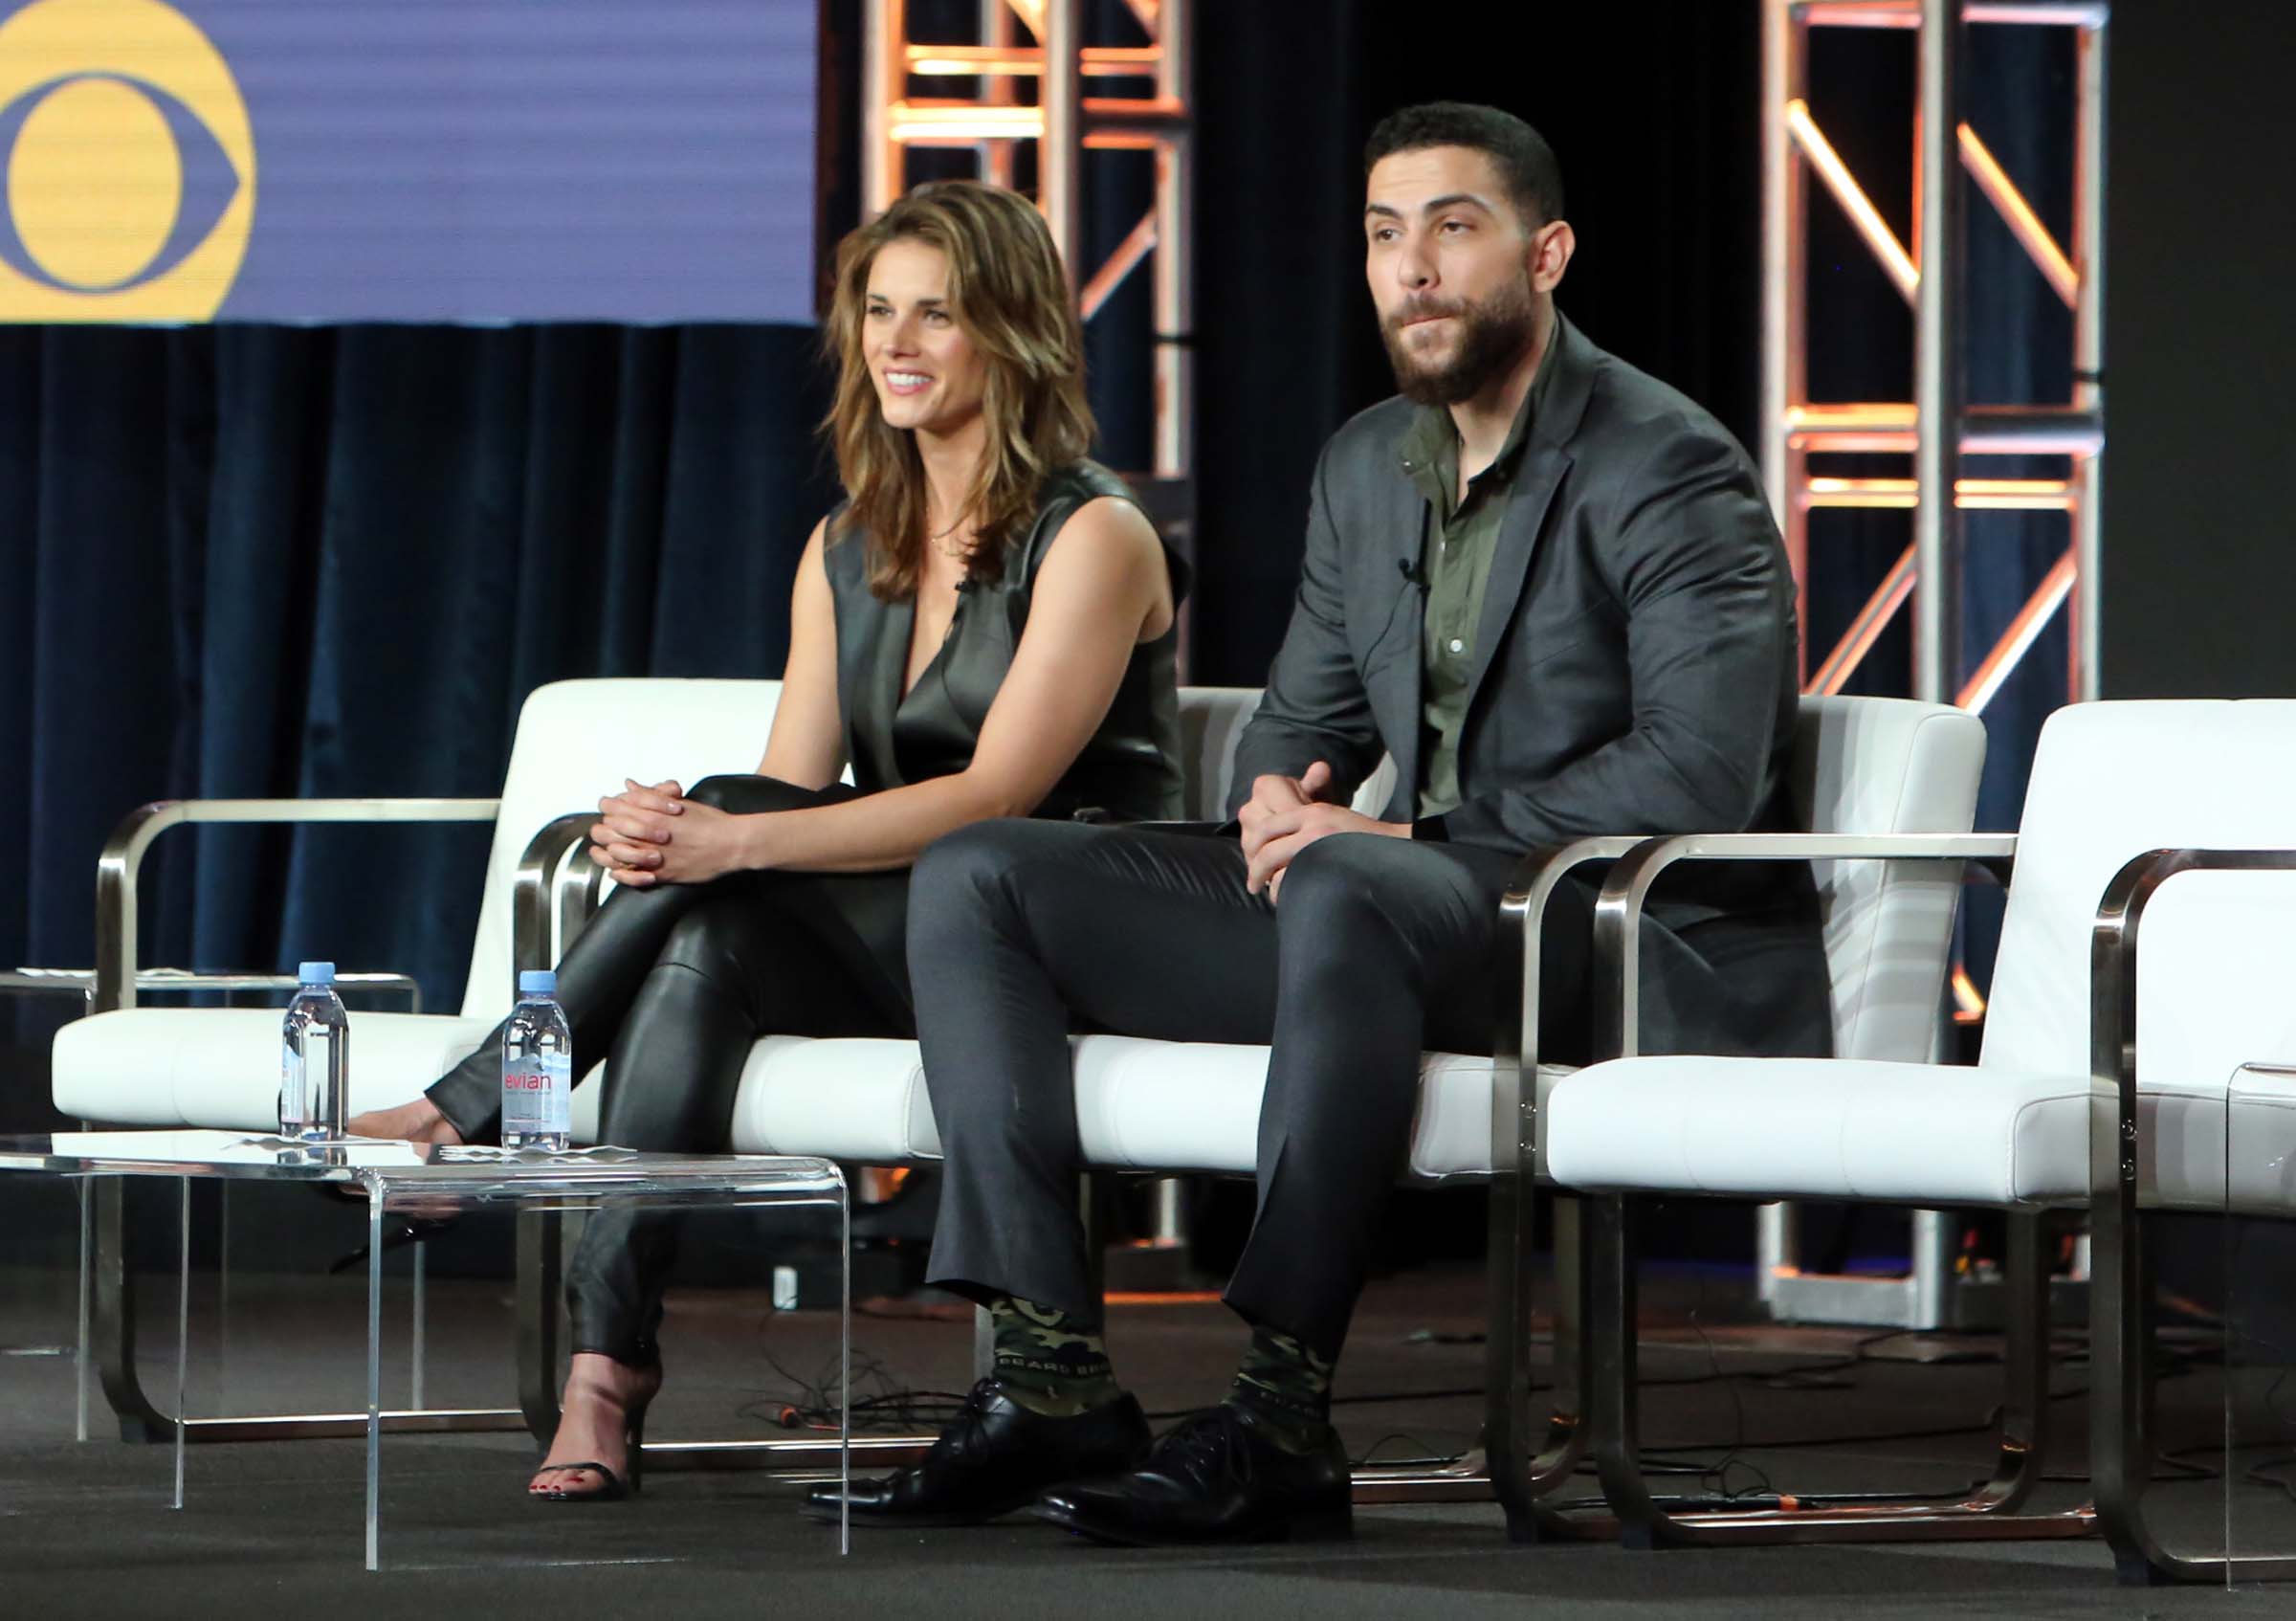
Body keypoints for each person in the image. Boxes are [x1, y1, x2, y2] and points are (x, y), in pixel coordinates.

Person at [819, 102, 1820, 1544]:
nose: (1412, 267)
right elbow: (1303, 714)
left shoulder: (1668, 463)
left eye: (1452, 227)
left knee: (1350, 887)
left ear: (1546, 254)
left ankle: (1282, 1412)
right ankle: (1047, 1372)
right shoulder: (1367, 464)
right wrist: (1285, 795)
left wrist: (1412, 838)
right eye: (1382, 233)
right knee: (984, 868)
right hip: (1405, 921)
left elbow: (1698, 775)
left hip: (1615, 935)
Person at [348, 181, 1185, 1501]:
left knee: (731, 851)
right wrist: (678, 839)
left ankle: (477, 1108)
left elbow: (996, 794)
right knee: (708, 933)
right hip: (914, 935)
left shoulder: (1097, 534)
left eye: (939, 315)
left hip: (1059, 932)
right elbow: (789, 796)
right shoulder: (846, 547)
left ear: (1013, 336)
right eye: (877, 312)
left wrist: (722, 835)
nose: (897, 343)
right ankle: (601, 1374)